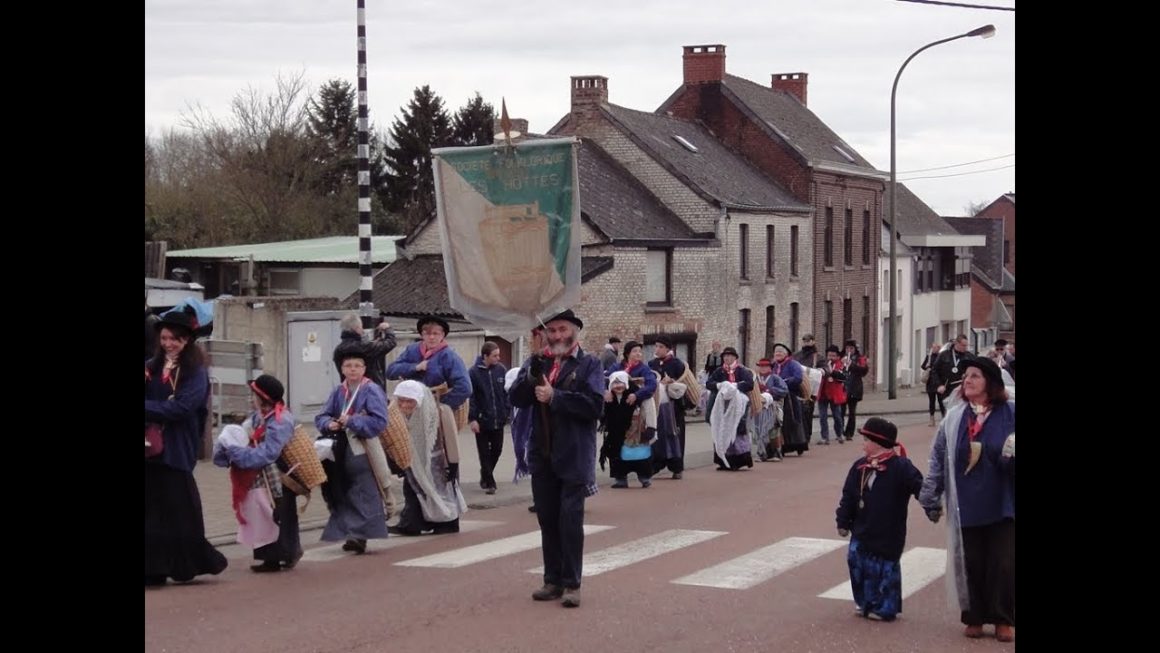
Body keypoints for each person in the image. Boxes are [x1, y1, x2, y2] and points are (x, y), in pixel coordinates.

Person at [509, 310, 603, 608]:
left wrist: (555, 397)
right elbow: (517, 399)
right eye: (552, 331)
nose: (558, 335)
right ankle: (552, 580)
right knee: (547, 519)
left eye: (562, 329)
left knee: (570, 520)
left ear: (575, 330)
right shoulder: (539, 361)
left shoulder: (590, 364)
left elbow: (595, 406)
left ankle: (572, 583)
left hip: (574, 454)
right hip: (542, 453)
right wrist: (531, 373)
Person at [919, 357, 1016, 642]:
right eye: (966, 376)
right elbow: (939, 455)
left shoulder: (1010, 412)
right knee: (970, 560)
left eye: (975, 375)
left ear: (990, 383)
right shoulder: (956, 416)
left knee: (1003, 562)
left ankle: (1003, 618)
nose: (968, 380)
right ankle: (973, 616)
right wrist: (931, 494)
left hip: (1004, 500)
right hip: (966, 501)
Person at [144, 306, 228, 586]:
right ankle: (153, 567)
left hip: (176, 446)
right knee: (151, 509)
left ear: (187, 341)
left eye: (175, 340)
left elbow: (183, 407)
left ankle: (186, 562)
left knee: (179, 507)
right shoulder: (152, 366)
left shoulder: (195, 372)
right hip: (149, 446)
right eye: (165, 338)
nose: (169, 344)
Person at [835, 418, 924, 621]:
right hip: (862, 527)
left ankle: (885, 607)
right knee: (857, 561)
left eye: (866, 439)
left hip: (888, 529)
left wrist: (932, 506)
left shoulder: (901, 467)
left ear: (878, 442)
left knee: (884, 568)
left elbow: (920, 487)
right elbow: (849, 495)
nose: (863, 443)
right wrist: (843, 520)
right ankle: (864, 601)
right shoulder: (859, 466)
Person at [213, 374, 303, 572]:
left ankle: (286, 553)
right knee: (262, 514)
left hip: (280, 476)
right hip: (263, 477)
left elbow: (270, 452)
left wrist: (239, 453)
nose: (251, 398)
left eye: (254, 394)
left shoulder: (280, 419)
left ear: (263, 397)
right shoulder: (260, 416)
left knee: (278, 513)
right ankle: (271, 556)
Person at [315, 351, 390, 554]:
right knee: (341, 490)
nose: (353, 369)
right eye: (348, 366)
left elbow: (380, 422)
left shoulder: (371, 390)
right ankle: (350, 532)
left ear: (364, 369)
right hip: (339, 448)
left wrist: (353, 421)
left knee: (363, 490)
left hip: (362, 447)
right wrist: (328, 424)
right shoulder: (338, 391)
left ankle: (361, 535)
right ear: (342, 369)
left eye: (357, 365)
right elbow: (321, 415)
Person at [389, 380, 468, 536]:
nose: (405, 405)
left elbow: (451, 440)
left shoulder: (440, 412)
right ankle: (412, 524)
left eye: (409, 401)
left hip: (438, 463)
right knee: (413, 491)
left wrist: (453, 464)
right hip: (413, 463)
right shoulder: (399, 417)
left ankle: (447, 523)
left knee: (443, 493)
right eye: (401, 400)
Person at [600, 371, 654, 488]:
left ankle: (644, 477)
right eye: (614, 383)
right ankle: (620, 478)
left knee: (640, 455)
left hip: (635, 431)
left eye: (620, 383)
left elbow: (649, 408)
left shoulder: (637, 394)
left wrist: (651, 427)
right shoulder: (608, 396)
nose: (618, 386)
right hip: (616, 433)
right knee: (617, 454)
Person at [469, 342, 511, 495]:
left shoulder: (501, 370)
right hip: (481, 420)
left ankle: (485, 474)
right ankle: (490, 482)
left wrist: (506, 410)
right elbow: (471, 397)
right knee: (484, 452)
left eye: (498, 355)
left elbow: (506, 392)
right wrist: (473, 418)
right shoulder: (473, 373)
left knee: (497, 450)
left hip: (498, 418)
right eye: (495, 356)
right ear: (485, 356)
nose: (498, 358)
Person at [649, 336, 692, 478]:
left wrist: (672, 381)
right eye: (656, 346)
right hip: (657, 405)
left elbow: (684, 384)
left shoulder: (677, 364)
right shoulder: (651, 364)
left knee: (675, 434)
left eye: (660, 347)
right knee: (658, 435)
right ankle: (656, 464)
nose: (657, 349)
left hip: (673, 407)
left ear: (668, 349)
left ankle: (677, 467)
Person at [706, 347, 755, 470]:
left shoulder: (742, 370)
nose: (727, 358)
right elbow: (709, 383)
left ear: (735, 357)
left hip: (738, 405)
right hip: (722, 405)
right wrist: (719, 385)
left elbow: (749, 384)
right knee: (722, 430)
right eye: (725, 356)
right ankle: (723, 461)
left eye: (729, 356)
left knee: (737, 429)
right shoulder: (719, 371)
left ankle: (738, 461)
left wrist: (735, 386)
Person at [332, 312, 397, 390]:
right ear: (357, 328)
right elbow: (390, 343)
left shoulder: (338, 350)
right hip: (370, 390)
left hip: (348, 390)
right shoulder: (365, 347)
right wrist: (388, 329)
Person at [841, 340, 870, 441]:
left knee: (852, 412)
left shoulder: (859, 358)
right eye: (847, 348)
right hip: (843, 388)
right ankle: (840, 430)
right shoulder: (841, 357)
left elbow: (864, 371)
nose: (849, 350)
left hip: (854, 388)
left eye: (851, 348)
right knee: (841, 411)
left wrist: (851, 365)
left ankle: (849, 432)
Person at [920, 342, 945, 427]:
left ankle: (944, 418)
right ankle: (932, 418)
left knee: (941, 401)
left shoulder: (942, 356)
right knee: (931, 401)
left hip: (938, 382)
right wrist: (927, 366)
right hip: (930, 382)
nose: (933, 349)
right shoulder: (929, 356)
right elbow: (923, 366)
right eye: (932, 347)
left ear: (939, 348)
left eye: (935, 348)